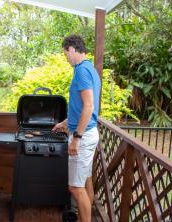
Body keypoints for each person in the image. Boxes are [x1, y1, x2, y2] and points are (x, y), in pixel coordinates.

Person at [53, 34, 101, 222]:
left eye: (66, 54)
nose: (66, 58)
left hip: (84, 136)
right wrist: (64, 123)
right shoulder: (89, 69)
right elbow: (80, 106)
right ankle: (84, 217)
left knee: (75, 187)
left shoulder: (81, 71)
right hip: (87, 133)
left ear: (72, 49)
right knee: (86, 179)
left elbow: (89, 106)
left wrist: (76, 138)